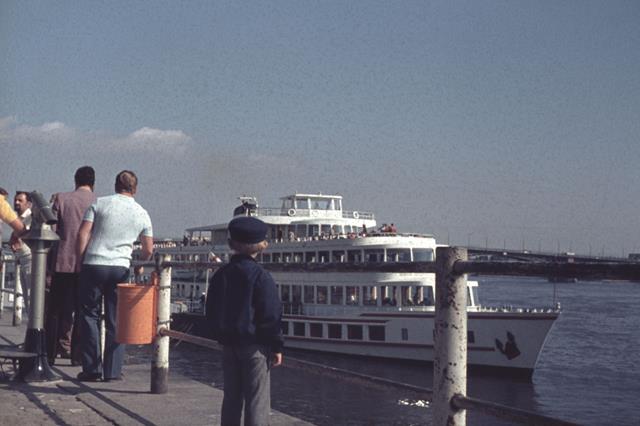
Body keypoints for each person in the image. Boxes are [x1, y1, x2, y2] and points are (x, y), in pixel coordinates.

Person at [76, 170, 153, 382]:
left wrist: (81, 260)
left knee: (89, 315)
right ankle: (112, 371)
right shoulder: (141, 212)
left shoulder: (99, 203)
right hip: (120, 267)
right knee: (116, 318)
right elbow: (148, 249)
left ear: (115, 185)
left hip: (94, 263)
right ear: (135, 188)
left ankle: (91, 369)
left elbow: (83, 234)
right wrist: (138, 263)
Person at [205, 216, 283, 426]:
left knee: (231, 397)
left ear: (231, 243)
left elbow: (211, 309)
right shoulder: (261, 276)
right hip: (255, 346)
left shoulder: (221, 274)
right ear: (262, 246)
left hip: (228, 344)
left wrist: (219, 335)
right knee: (257, 401)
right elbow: (270, 314)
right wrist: (276, 346)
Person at [45, 166, 97, 365]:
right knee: (83, 311)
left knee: (55, 310)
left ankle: (49, 354)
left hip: (63, 262)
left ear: (75, 181)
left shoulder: (62, 199)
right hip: (88, 264)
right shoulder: (98, 202)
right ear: (93, 183)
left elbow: (52, 231)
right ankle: (77, 356)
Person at [12, 191, 33, 313]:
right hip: (22, 259)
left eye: (20, 200)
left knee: (30, 298)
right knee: (26, 298)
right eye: (15, 200)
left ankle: (34, 324)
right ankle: (31, 323)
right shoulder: (19, 219)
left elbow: (24, 233)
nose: (16, 202)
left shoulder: (30, 218)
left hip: (30, 260)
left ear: (28, 204)